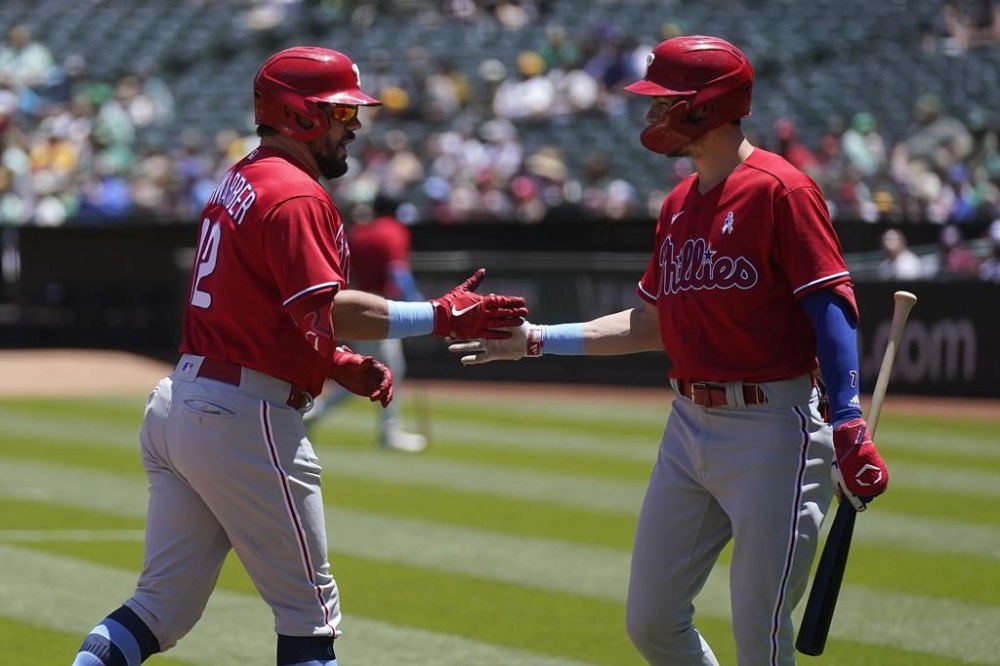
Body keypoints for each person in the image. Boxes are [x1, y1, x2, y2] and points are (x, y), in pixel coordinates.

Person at [70, 46, 527, 666]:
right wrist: (440, 316)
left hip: (183, 401)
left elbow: (261, 307)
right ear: (301, 115)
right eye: (342, 112)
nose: (354, 125)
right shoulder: (294, 195)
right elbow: (328, 306)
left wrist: (333, 363)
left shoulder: (244, 176)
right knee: (309, 619)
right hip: (244, 416)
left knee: (157, 609)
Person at [450, 35, 889, 665]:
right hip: (688, 426)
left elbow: (830, 304)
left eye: (666, 100)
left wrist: (847, 418)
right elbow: (648, 324)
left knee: (760, 639)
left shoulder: (780, 190)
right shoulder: (679, 203)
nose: (653, 113)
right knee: (652, 622)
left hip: (772, 428)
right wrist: (534, 341)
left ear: (707, 106)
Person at [304, 193, 429, 452]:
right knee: (385, 372)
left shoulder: (360, 233)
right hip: (383, 312)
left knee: (370, 372)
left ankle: (316, 413)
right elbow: (398, 273)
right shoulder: (393, 231)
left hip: (354, 308)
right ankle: (388, 431)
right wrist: (421, 310)